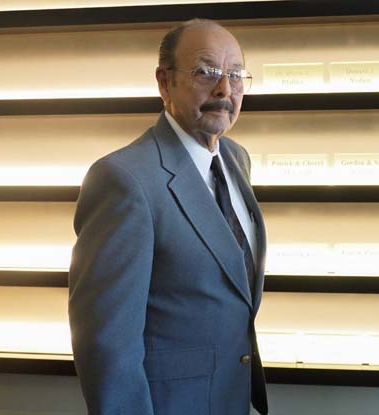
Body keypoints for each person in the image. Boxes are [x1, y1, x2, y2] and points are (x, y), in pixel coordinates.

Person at [68, 19, 268, 415]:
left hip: (230, 397)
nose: (224, 89)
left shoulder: (235, 159)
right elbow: (106, 343)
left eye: (234, 74)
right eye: (205, 72)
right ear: (164, 82)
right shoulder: (123, 180)